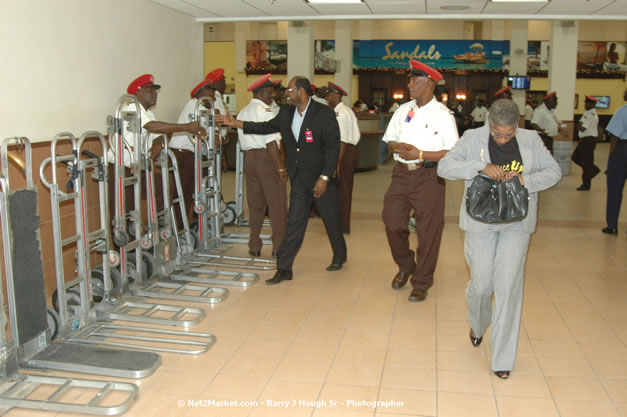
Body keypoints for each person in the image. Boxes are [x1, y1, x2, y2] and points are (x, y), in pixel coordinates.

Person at [437, 99, 561, 379]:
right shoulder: (471, 138)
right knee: (481, 285)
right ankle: (478, 325)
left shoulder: (531, 140)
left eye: (509, 134)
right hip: (480, 221)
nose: (503, 138)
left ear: (518, 125)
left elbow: (553, 172)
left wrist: (524, 181)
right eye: (498, 134)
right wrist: (480, 166)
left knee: (508, 288)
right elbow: (445, 167)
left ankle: (502, 358)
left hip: (517, 222)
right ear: (489, 123)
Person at [218, 76, 347, 285]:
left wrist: (325, 177)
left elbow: (332, 148)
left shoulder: (323, 113)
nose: (286, 93)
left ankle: (339, 254)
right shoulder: (286, 113)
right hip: (299, 180)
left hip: (319, 179)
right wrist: (235, 123)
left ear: (302, 91)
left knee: (331, 219)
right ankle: (284, 268)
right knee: (295, 221)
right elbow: (265, 127)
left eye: (290, 90)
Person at [381, 60, 459, 302]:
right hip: (401, 174)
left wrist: (421, 154)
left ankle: (422, 282)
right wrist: (398, 146)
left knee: (428, 231)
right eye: (410, 80)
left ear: (428, 84)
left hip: (429, 176)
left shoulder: (444, 116)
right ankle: (406, 264)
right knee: (392, 220)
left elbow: (453, 152)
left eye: (414, 81)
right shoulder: (403, 110)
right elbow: (390, 141)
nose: (409, 85)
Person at [107, 74, 206, 239]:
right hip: (122, 168)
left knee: (163, 186)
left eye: (155, 91)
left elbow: (157, 134)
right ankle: (126, 254)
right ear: (138, 94)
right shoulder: (130, 108)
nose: (155, 94)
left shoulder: (147, 113)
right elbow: (152, 127)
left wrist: (157, 146)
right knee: (125, 211)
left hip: (139, 167)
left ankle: (157, 230)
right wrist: (187, 127)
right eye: (150, 90)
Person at [236, 73, 288, 256]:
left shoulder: (243, 112)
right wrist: (281, 167)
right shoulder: (264, 112)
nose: (272, 96)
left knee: (255, 204)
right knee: (277, 204)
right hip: (267, 160)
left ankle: (254, 245)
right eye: (269, 93)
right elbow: (271, 143)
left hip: (249, 160)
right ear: (260, 93)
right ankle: (279, 247)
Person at [169, 73, 217, 230]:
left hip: (194, 154)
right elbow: (204, 133)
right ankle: (179, 228)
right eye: (210, 90)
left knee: (196, 190)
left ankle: (192, 225)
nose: (214, 93)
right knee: (183, 191)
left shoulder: (205, 109)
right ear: (201, 93)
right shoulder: (195, 106)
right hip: (183, 153)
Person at [325, 81, 360, 234]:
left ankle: (341, 226)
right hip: (344, 152)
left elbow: (342, 140)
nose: (327, 98)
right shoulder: (343, 110)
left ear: (337, 95)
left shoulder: (341, 114)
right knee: (340, 190)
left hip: (343, 154)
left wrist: (337, 163)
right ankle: (339, 224)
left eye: (329, 95)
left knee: (343, 191)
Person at [602, 88, 627, 235]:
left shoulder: (622, 110)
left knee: (615, 189)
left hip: (623, 151)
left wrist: (611, 160)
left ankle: (612, 225)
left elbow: (615, 137)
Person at [571, 96, 600, 191]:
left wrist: (578, 125)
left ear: (592, 104)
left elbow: (582, 127)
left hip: (588, 141)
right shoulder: (587, 112)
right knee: (575, 157)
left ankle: (586, 184)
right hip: (584, 140)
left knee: (586, 163)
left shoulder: (591, 114)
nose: (585, 105)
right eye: (585, 103)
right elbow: (580, 124)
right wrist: (579, 125)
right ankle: (593, 170)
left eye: (587, 103)